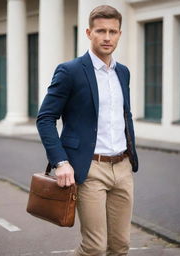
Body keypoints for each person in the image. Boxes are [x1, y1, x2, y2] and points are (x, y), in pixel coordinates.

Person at [37, 5, 139, 256]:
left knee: (120, 246)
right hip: (90, 168)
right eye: (101, 31)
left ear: (119, 34)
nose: (107, 37)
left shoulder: (122, 72)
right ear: (88, 32)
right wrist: (60, 162)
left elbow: (124, 116)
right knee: (94, 247)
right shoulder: (70, 71)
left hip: (123, 167)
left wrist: (130, 155)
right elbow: (46, 118)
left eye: (112, 31)